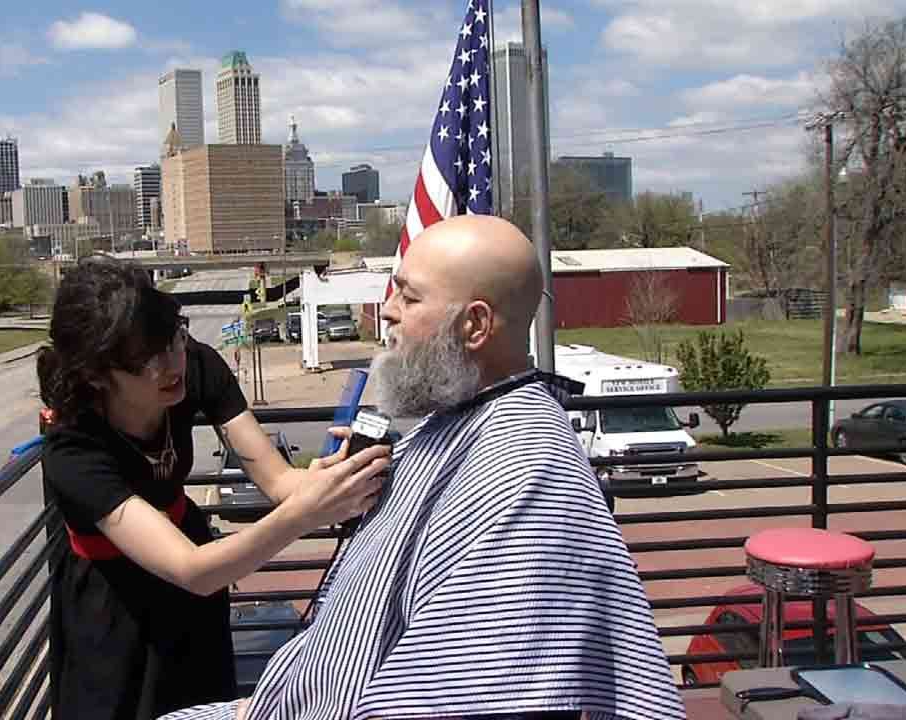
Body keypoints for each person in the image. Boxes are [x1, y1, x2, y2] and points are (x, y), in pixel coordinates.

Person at [161, 216, 685, 720]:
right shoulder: (454, 420)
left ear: (474, 324)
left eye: (408, 297)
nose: (386, 310)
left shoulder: (528, 472)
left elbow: (466, 699)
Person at [37, 256, 392, 720]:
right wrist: (306, 512)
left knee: (202, 700)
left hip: (191, 593)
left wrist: (337, 477)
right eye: (146, 359)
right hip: (113, 606)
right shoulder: (72, 447)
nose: (171, 364)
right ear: (96, 374)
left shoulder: (192, 363)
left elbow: (279, 480)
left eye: (173, 340)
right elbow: (193, 570)